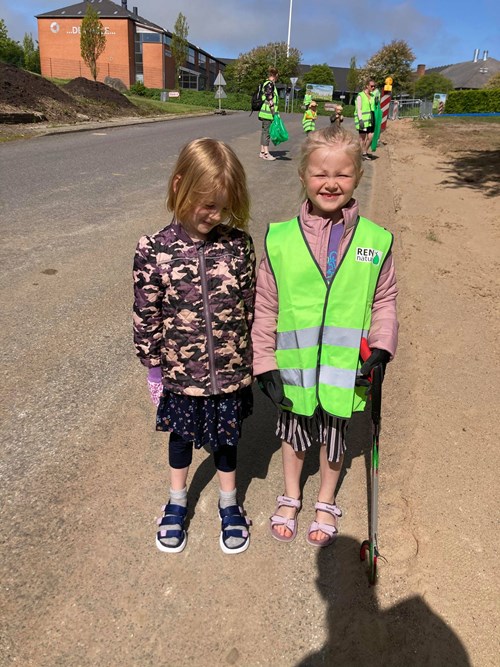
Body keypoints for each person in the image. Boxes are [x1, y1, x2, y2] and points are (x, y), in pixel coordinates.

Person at [252, 125, 398, 547]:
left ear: (358, 177)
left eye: (342, 174)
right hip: (294, 366)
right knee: (294, 434)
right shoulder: (280, 239)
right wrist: (263, 362)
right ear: (303, 176)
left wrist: (382, 345)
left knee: (335, 437)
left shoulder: (375, 241)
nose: (330, 183)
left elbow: (384, 299)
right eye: (320, 173)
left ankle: (326, 499)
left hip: (343, 368)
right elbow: (265, 306)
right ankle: (291, 495)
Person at [133, 138, 256, 555]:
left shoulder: (238, 246)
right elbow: (146, 314)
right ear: (179, 186)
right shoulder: (154, 249)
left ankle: (229, 502)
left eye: (223, 207)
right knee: (181, 438)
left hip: (230, 371)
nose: (216, 216)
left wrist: (255, 359)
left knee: (227, 439)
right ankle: (176, 500)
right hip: (181, 375)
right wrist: (154, 368)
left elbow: (251, 306)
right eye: (208, 205)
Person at [258, 66, 279, 161]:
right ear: (275, 75)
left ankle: (262, 152)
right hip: (268, 113)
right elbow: (269, 98)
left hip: (265, 113)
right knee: (267, 133)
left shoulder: (266, 83)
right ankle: (266, 153)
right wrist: (274, 112)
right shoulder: (270, 84)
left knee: (264, 132)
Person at [354, 78, 376, 160]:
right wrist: (360, 120)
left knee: (371, 137)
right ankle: (361, 153)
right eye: (372, 86)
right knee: (362, 138)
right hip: (363, 121)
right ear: (367, 86)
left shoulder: (373, 96)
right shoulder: (360, 95)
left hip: (370, 120)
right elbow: (358, 109)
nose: (373, 87)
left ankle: (364, 151)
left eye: (374, 86)